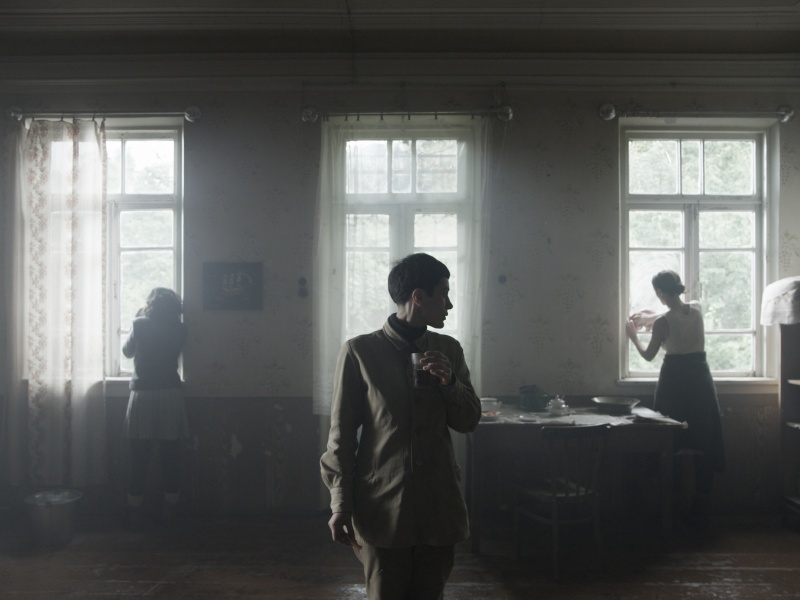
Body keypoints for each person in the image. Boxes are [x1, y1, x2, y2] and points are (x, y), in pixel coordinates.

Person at [320, 253, 481, 600]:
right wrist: (340, 504)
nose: (450, 304)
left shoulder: (449, 350)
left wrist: (450, 383)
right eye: (444, 293)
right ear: (418, 297)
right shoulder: (360, 352)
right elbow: (341, 437)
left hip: (439, 505)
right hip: (382, 508)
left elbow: (468, 422)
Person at [626, 270, 725, 528]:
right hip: (701, 380)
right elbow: (679, 311)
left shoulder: (662, 323)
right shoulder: (697, 308)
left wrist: (634, 337)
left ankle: (672, 507)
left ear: (660, 292)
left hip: (675, 382)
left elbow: (649, 355)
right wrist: (652, 315)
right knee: (702, 440)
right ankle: (701, 508)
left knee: (670, 440)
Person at [122, 287, 189, 529]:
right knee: (170, 458)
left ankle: (134, 512)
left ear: (150, 304)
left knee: (139, 459)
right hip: (170, 394)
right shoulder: (181, 328)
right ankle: (171, 511)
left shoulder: (140, 324)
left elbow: (127, 352)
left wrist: (139, 317)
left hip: (143, 395)